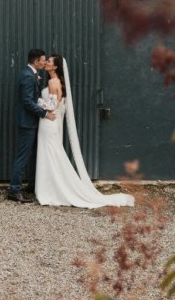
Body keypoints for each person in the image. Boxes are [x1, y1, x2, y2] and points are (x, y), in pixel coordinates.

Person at [35, 54, 135, 208]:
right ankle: (51, 188)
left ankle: (50, 190)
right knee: (52, 154)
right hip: (51, 123)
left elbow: (52, 105)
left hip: (49, 122)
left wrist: (38, 103)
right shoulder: (57, 82)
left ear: (55, 66)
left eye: (49, 61)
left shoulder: (52, 81)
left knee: (50, 153)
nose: (46, 63)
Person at [8, 49, 56, 203]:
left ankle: (32, 185)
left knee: (33, 154)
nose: (45, 62)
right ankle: (14, 190)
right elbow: (28, 101)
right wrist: (44, 113)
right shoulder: (28, 76)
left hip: (31, 122)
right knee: (23, 157)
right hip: (27, 123)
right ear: (36, 62)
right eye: (43, 60)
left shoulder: (30, 74)